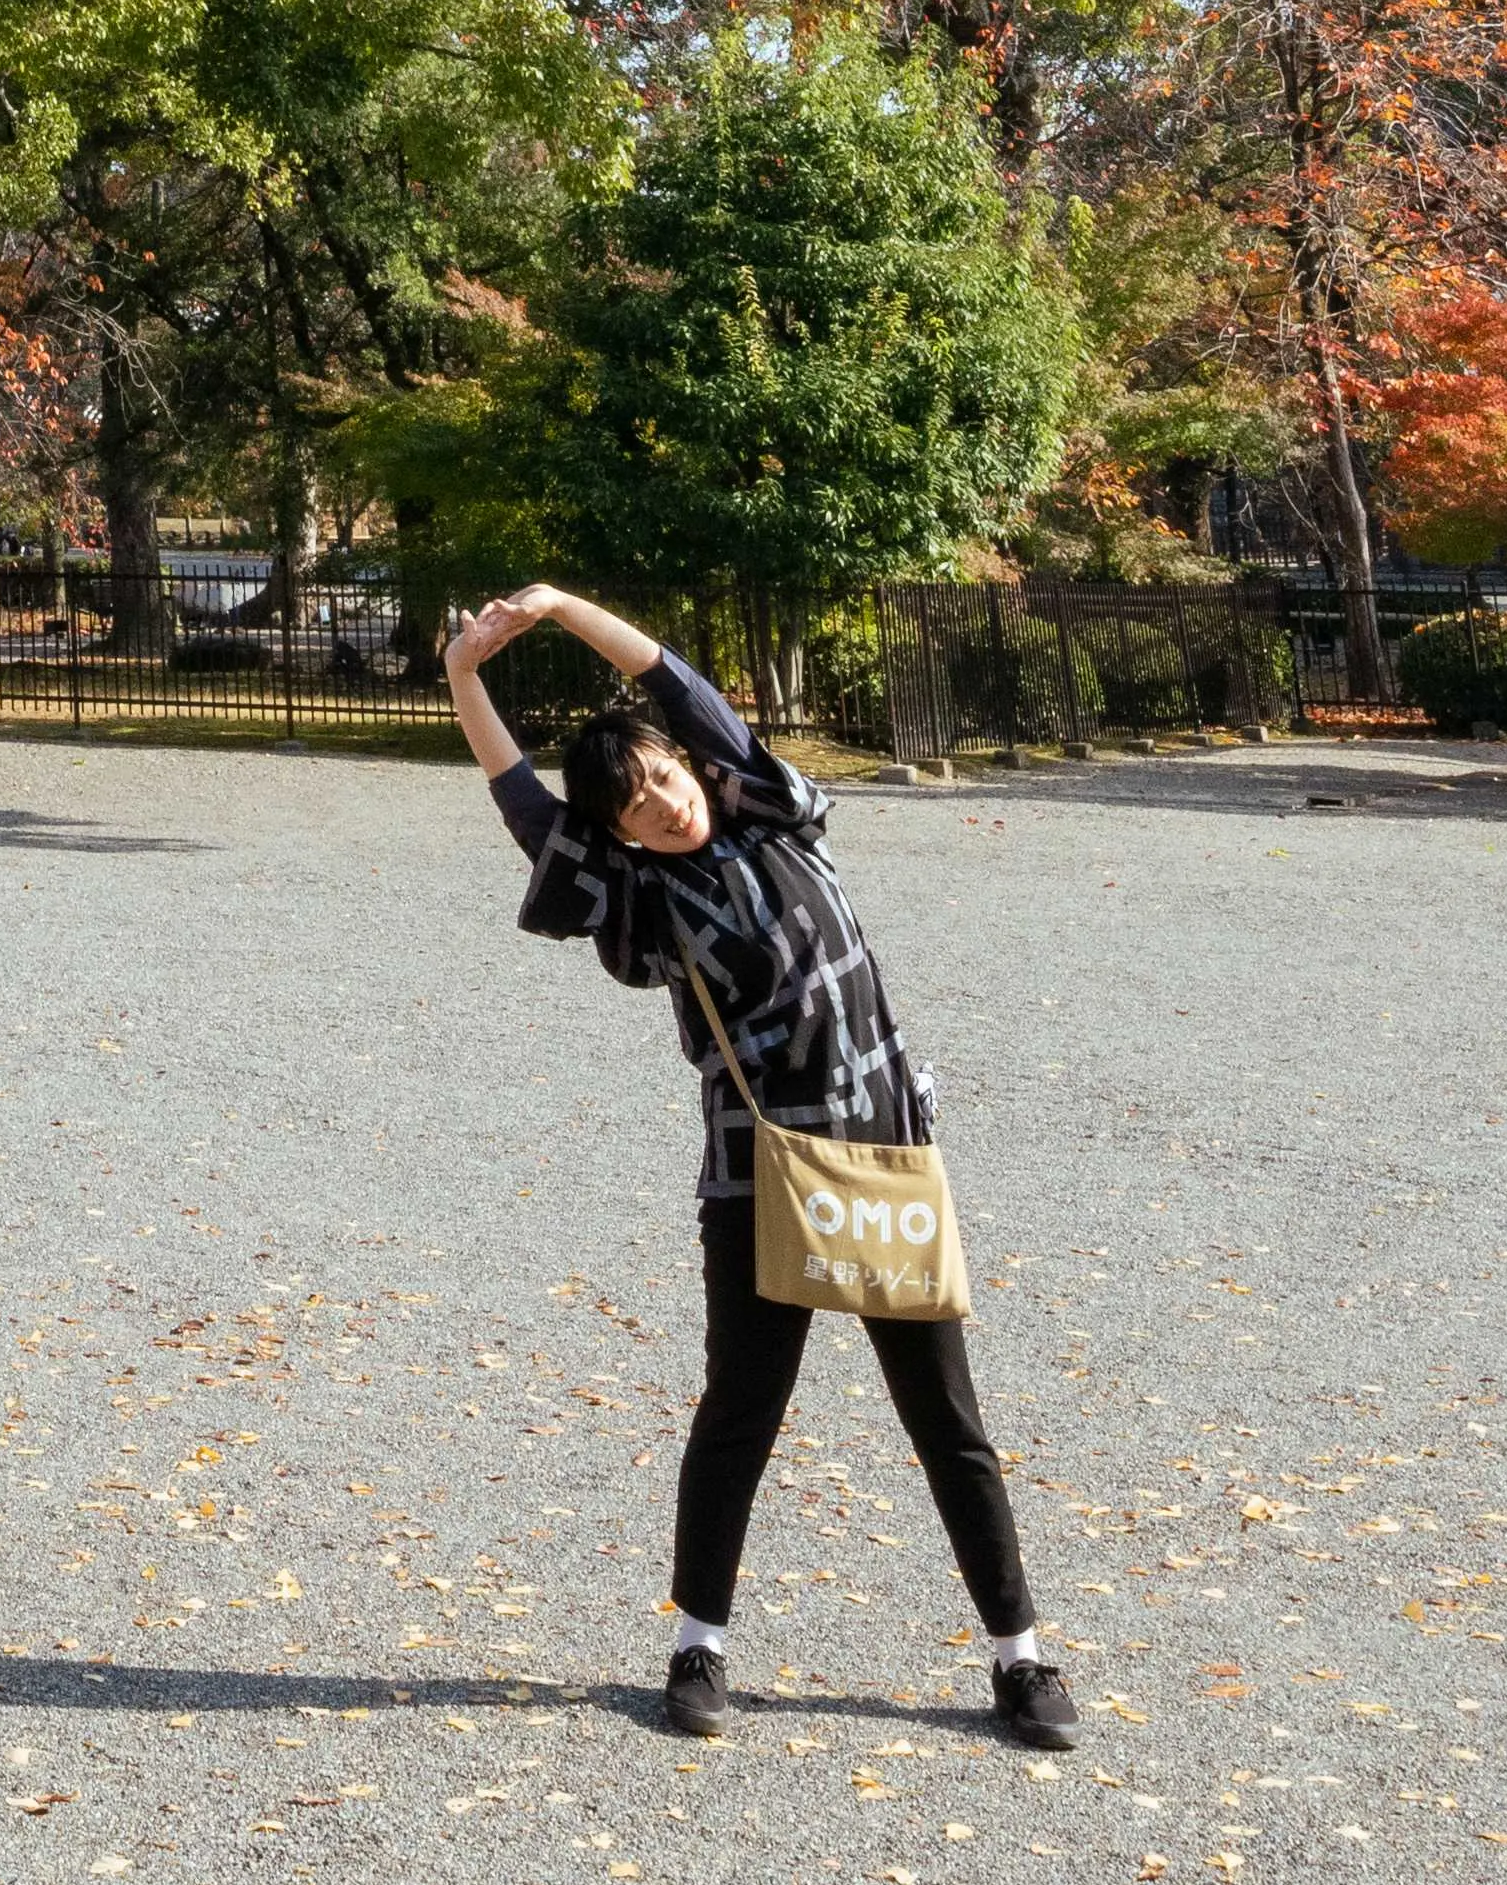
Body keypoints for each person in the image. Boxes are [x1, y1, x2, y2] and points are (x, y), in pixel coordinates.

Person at [444, 577, 1076, 1757]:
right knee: (739, 1412)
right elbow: (529, 810)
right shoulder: (641, 892)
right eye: (636, 805)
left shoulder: (775, 811)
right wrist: (465, 676)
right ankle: (698, 1645)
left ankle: (1020, 1658)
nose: (666, 806)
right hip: (759, 1170)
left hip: (884, 1150)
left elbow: (678, 687)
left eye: (667, 778)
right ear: (620, 827)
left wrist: (565, 608)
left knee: (947, 1418)